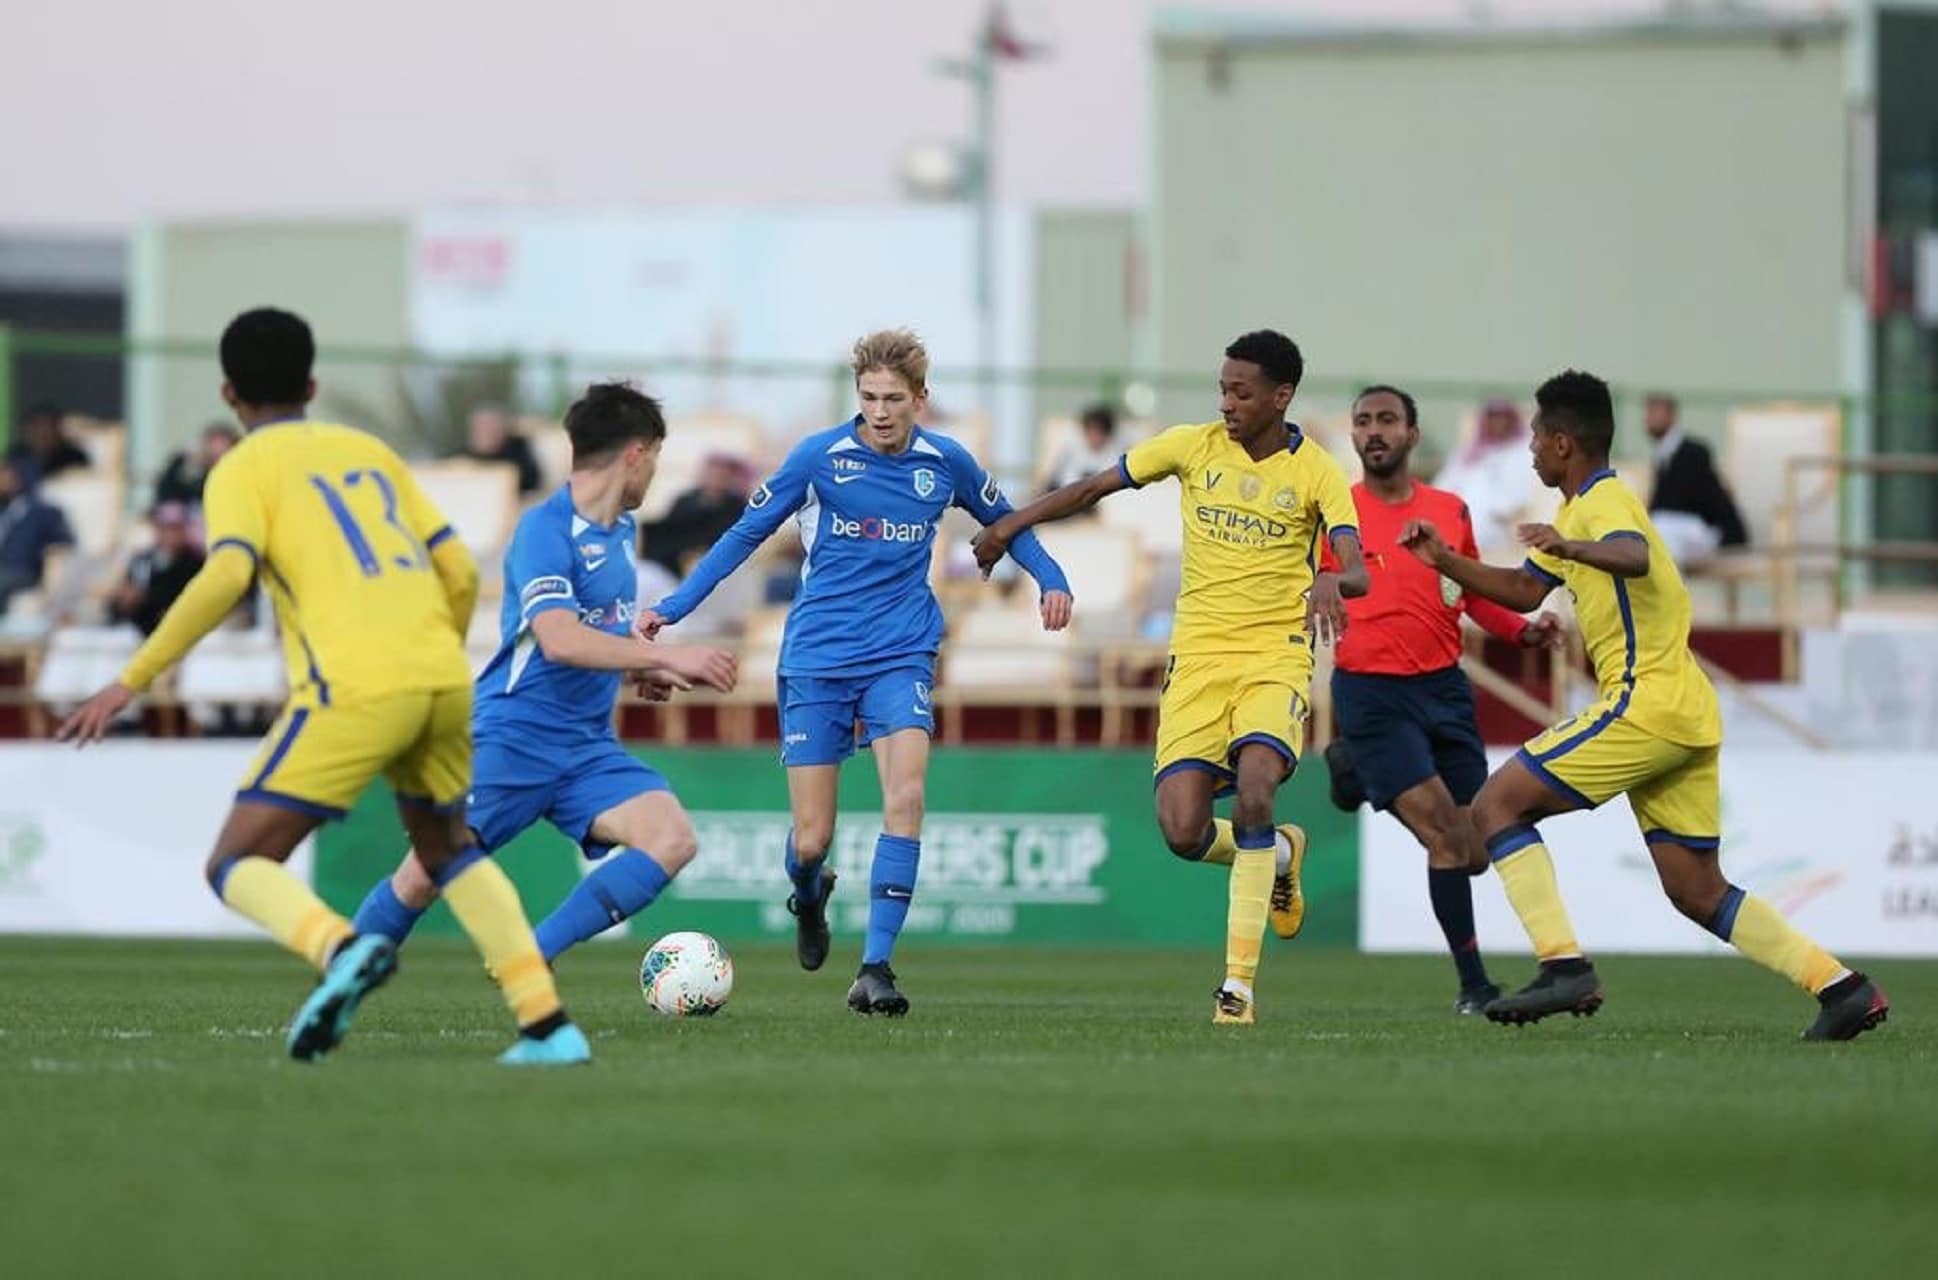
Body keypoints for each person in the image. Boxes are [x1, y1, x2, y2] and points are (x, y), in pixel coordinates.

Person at [57, 306, 592, 1066]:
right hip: (441, 672)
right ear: (311, 383)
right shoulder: (367, 452)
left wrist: (133, 678)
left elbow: (229, 572)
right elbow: (457, 569)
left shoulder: (240, 468)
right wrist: (430, 653)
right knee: (448, 850)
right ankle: (547, 1027)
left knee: (235, 863)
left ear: (228, 394)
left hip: (354, 684)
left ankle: (339, 947)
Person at [1397, 369, 1888, 1040]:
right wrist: (1444, 560)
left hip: (1645, 700)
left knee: (1494, 805)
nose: (1532, 449)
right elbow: (1518, 590)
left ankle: (1564, 965)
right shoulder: (1579, 509)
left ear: (1565, 443)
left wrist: (1573, 547)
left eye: (1539, 437)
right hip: (1684, 708)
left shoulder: (1602, 503)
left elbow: (1631, 556)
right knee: (1696, 889)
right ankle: (1843, 988)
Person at [642, 330, 1073, 1017]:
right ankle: (809, 893)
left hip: (901, 652)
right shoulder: (819, 458)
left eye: (893, 399)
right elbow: (743, 536)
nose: (878, 410)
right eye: (869, 397)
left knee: (905, 798)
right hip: (817, 659)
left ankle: (876, 967)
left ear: (920, 400)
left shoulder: (946, 462)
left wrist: (1052, 578)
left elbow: (1010, 522)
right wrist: (672, 608)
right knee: (812, 840)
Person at [977, 329, 1369, 1026]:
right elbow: (1096, 484)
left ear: (1282, 397)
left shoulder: (1319, 472)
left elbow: (1354, 560)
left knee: (1254, 794)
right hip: (1196, 664)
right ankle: (1279, 856)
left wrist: (1335, 580)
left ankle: (1237, 989)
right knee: (1183, 832)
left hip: (1274, 659)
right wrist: (1008, 527)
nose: (1227, 403)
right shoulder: (1192, 446)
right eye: (1222, 388)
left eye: (1241, 393)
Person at [348, 383, 738, 963]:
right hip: (513, 734)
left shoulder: (625, 533)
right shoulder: (543, 531)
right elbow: (556, 640)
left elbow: (597, 629)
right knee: (422, 877)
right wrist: (664, 655)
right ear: (637, 453)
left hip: (586, 746)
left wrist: (637, 667)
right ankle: (339, 979)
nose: (655, 474)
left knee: (670, 839)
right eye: (655, 458)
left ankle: (529, 957)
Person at [1323, 385, 1562, 1014]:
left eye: (1387, 421)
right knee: (1448, 841)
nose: (1374, 431)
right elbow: (1311, 585)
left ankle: (1349, 766)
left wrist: (1522, 630)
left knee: (1477, 848)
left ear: (1412, 434)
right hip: (1371, 693)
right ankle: (1474, 986)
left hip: (1445, 690)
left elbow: (1473, 593)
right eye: (1363, 422)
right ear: (1354, 437)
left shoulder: (1448, 511)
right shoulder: (1336, 515)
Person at [1643, 393, 1748, 568]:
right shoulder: (1662, 456)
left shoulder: (1695, 452)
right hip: (1675, 531)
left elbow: (1700, 500)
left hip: (1705, 529)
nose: (1648, 420)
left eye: (1655, 414)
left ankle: (1671, 593)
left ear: (1671, 415)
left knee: (1662, 532)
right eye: (1648, 414)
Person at [1433, 397, 1532, 555]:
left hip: (1497, 522)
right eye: (1493, 419)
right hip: (1456, 515)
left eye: (1502, 419)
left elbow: (1522, 493)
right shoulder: (1469, 450)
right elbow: (1444, 484)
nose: (1498, 424)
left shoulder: (1523, 452)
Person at [640, 452, 748, 575]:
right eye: (713, 473)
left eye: (721, 475)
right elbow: (670, 531)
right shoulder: (684, 500)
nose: (716, 478)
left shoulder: (737, 506)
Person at [109, 503, 205, 635]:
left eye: (175, 528)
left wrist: (145, 597)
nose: (170, 534)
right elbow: (122, 603)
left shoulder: (197, 561)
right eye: (164, 528)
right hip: (142, 630)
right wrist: (122, 599)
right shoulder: (142, 559)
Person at [0, 457, 75, 612]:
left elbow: (64, 540)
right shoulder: (4, 509)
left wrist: (51, 553)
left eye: (4, 474)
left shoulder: (44, 511)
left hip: (22, 571)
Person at [154, 422, 240, 510]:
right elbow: (166, 495)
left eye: (222, 445)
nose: (215, 450)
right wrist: (193, 469)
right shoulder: (184, 464)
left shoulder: (236, 474)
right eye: (211, 444)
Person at [462, 404, 543, 495]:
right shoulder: (462, 457)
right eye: (480, 429)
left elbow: (532, 483)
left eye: (490, 427)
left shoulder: (517, 452)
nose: (485, 433)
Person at [6, 403, 91, 487]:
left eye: (48, 428)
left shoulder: (74, 457)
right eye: (36, 427)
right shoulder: (17, 455)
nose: (42, 433)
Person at [1045, 403, 1119, 492]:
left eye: (1098, 433)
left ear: (1107, 434)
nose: (1093, 437)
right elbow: (1053, 482)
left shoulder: (1116, 455)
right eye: (1090, 432)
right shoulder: (1070, 450)